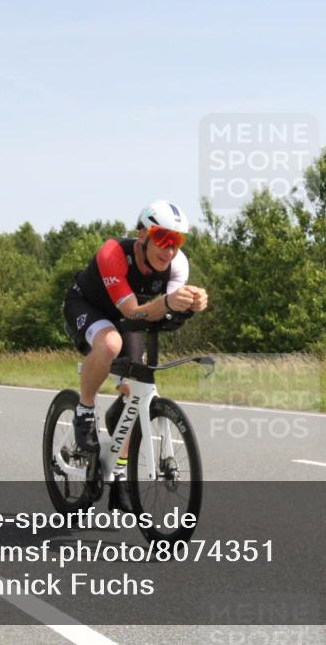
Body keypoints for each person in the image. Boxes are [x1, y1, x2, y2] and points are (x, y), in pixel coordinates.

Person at [62, 201, 208, 510]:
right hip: (88, 307)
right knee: (110, 344)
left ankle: (117, 473)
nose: (170, 250)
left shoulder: (178, 264)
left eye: (177, 241)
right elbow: (135, 311)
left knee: (136, 392)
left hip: (127, 319)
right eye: (164, 239)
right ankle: (84, 410)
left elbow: (164, 314)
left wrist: (192, 304)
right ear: (142, 234)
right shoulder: (113, 253)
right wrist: (169, 302)